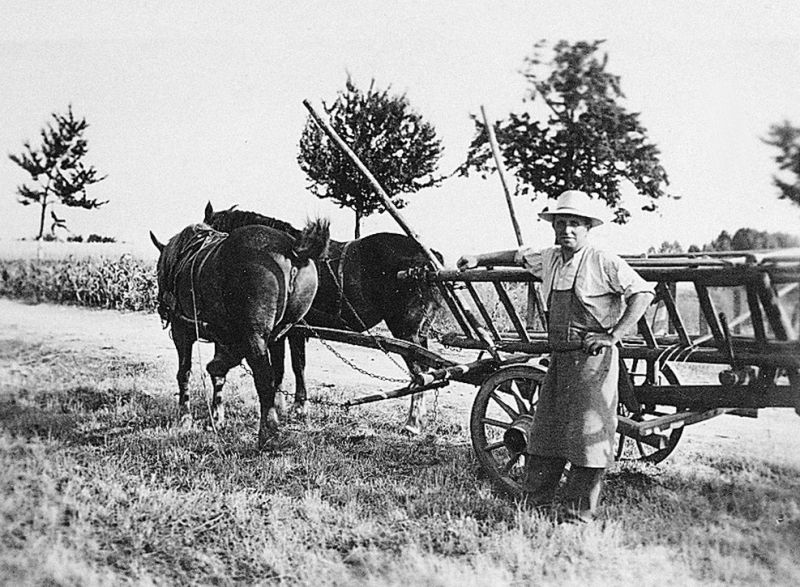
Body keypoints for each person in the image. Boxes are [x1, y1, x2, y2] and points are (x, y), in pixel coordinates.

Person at [457, 190, 654, 522]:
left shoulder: (601, 260)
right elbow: (518, 255)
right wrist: (479, 258)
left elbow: (643, 292)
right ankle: (537, 503)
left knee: (587, 436)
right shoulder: (548, 258)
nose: (567, 230)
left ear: (588, 227)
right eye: (561, 223)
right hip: (559, 359)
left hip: (592, 363)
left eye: (574, 223)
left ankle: (576, 515)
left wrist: (612, 335)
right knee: (546, 431)